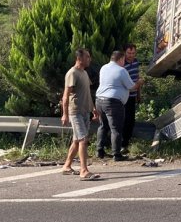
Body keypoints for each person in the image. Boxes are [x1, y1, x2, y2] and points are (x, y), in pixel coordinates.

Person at [60, 48, 101, 180]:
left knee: (77, 140)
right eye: (87, 57)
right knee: (83, 139)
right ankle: (84, 170)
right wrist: (65, 114)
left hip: (85, 111)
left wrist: (93, 108)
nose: (90, 59)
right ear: (79, 58)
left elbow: (87, 93)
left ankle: (67, 166)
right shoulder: (72, 73)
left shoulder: (84, 73)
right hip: (75, 112)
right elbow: (66, 96)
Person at [96, 50, 140, 161]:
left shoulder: (104, 68)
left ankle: (99, 151)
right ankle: (116, 154)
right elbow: (131, 86)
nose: (124, 62)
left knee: (103, 126)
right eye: (123, 60)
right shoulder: (122, 71)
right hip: (113, 103)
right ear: (120, 59)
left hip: (99, 100)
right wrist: (139, 82)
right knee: (116, 128)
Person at [121, 43, 143, 153]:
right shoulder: (121, 64)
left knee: (131, 121)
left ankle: (125, 144)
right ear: (124, 52)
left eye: (133, 53)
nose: (131, 55)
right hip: (123, 96)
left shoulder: (135, 62)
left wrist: (139, 94)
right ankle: (120, 144)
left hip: (133, 96)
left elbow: (137, 77)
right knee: (123, 120)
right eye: (129, 53)